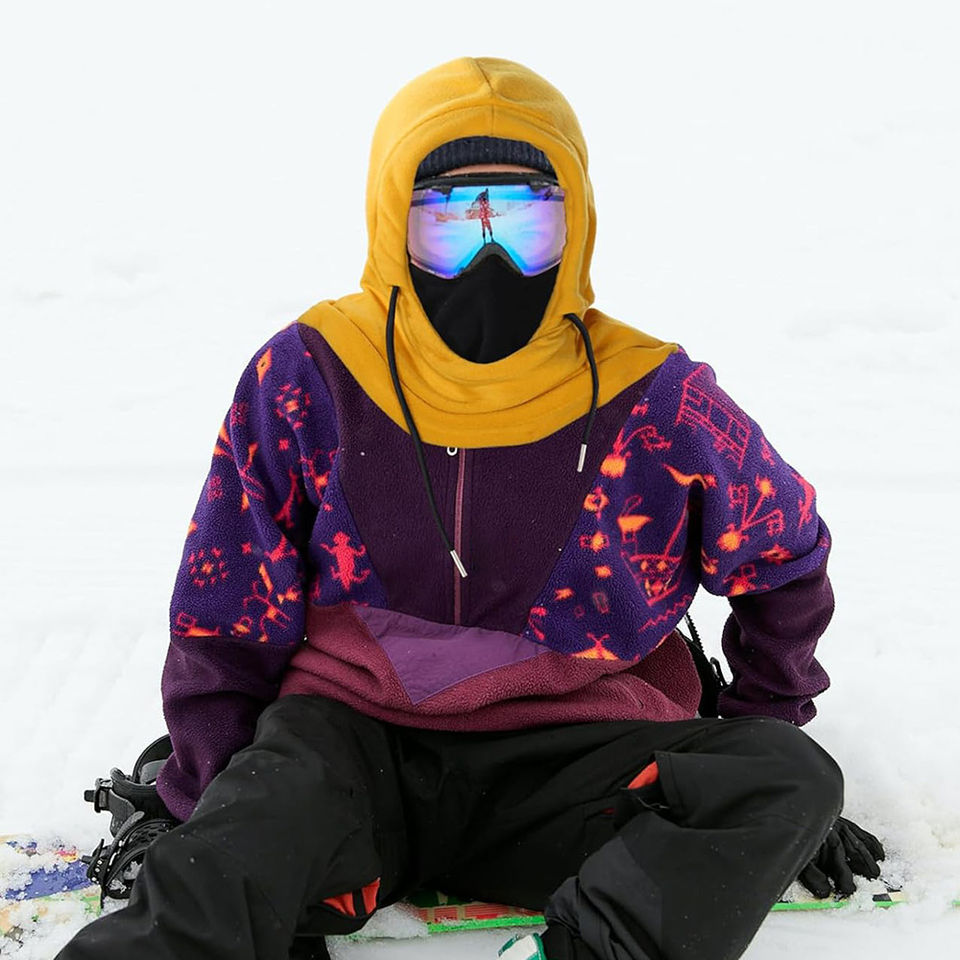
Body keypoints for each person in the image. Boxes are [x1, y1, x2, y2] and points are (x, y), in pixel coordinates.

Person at [55, 56, 884, 960]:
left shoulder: (656, 396)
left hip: (581, 760)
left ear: (576, 222)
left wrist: (760, 729)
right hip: (350, 749)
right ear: (391, 223)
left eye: (524, 222)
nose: (491, 261)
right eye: (451, 223)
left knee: (789, 779)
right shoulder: (314, 374)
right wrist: (210, 795)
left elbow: (785, 556)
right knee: (231, 861)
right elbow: (227, 604)